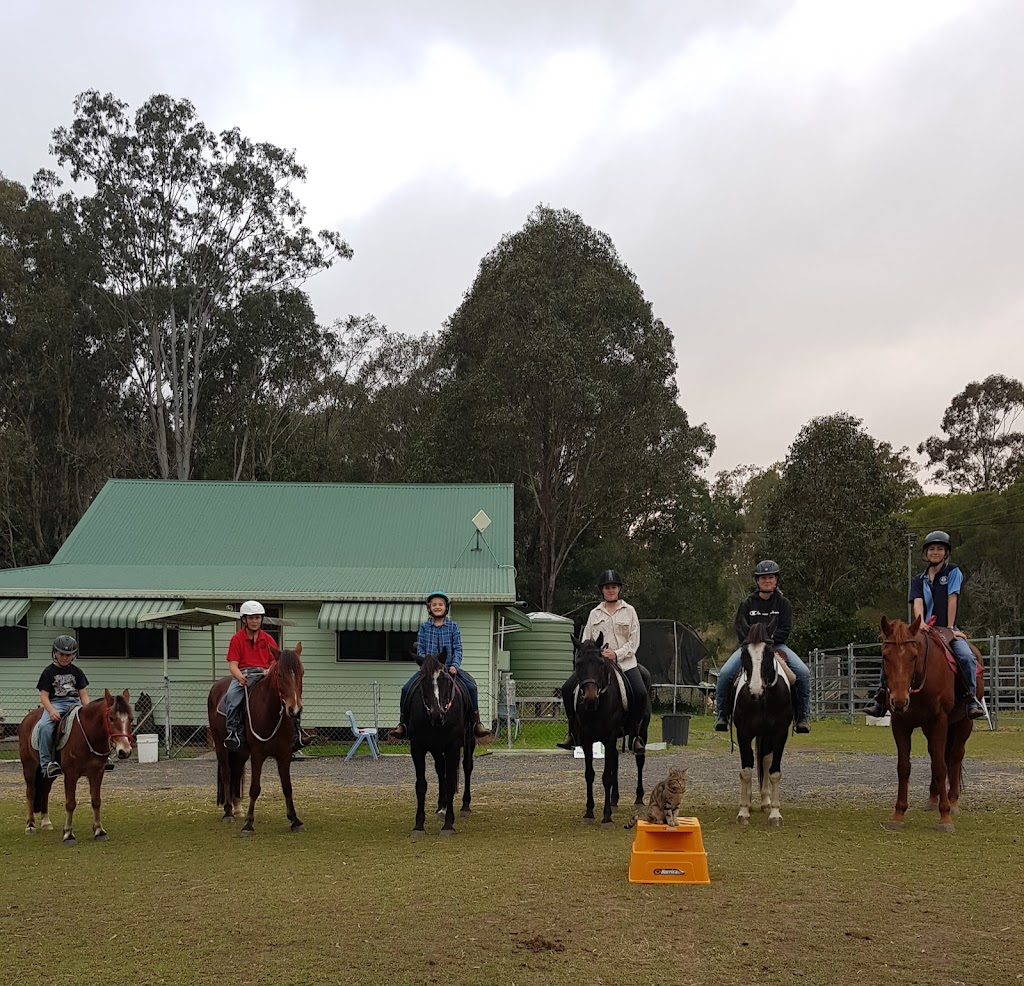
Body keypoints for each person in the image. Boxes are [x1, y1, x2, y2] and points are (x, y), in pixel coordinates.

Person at [863, 531, 985, 720]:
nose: (935, 552)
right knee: (894, 655)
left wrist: (952, 628)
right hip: (923, 628)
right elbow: (918, 603)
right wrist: (920, 623)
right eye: (931, 549)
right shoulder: (918, 580)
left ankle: (971, 699)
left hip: (947, 627)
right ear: (926, 553)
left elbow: (952, 599)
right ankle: (880, 698)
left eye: (940, 549)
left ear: (946, 553)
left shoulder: (953, 572)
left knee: (966, 656)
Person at [714, 560, 811, 734]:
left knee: (803, 673)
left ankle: (801, 718)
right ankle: (722, 715)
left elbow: (785, 629)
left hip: (776, 647)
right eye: (763, 578)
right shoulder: (747, 604)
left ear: (776, 580)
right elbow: (739, 627)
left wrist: (767, 642)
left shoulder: (783, 604)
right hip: (750, 648)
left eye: (771, 577)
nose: (767, 581)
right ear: (757, 581)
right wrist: (751, 643)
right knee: (725, 674)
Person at [556, 570, 647, 754]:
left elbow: (634, 641)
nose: (611, 590)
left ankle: (636, 735)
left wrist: (617, 654)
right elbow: (586, 640)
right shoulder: (594, 613)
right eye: (607, 587)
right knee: (567, 689)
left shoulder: (629, 612)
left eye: (613, 587)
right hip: (596, 664)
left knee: (640, 692)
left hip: (624, 662)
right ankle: (573, 733)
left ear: (619, 589)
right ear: (602, 590)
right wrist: (592, 655)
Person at [389, 592, 494, 742]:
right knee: (406, 689)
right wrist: (425, 665)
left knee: (471, 688)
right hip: (429, 669)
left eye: (440, 604)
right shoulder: (424, 627)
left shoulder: (453, 626)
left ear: (446, 608)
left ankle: (476, 722)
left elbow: (457, 648)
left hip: (449, 668)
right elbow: (421, 649)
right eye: (434, 605)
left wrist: (455, 666)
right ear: (429, 608)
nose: (437, 607)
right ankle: (403, 724)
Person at [223, 600, 308, 752]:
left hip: (264, 674)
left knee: (289, 694)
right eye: (251, 618)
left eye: (257, 618)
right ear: (244, 619)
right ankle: (233, 732)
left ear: (261, 619)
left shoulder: (268, 639)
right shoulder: (236, 639)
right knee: (231, 696)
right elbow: (232, 664)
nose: (254, 621)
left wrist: (270, 669)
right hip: (245, 674)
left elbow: (275, 661)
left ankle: (296, 733)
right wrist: (239, 677)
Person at [36, 635, 91, 779]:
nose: (65, 657)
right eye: (62, 654)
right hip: (55, 703)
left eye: (68, 655)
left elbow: (83, 693)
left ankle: (100, 756)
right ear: (54, 653)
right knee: (44, 726)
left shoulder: (77, 671)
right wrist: (51, 710)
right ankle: (46, 764)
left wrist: (88, 709)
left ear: (73, 655)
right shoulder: (48, 672)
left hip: (75, 703)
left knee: (94, 723)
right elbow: (43, 696)